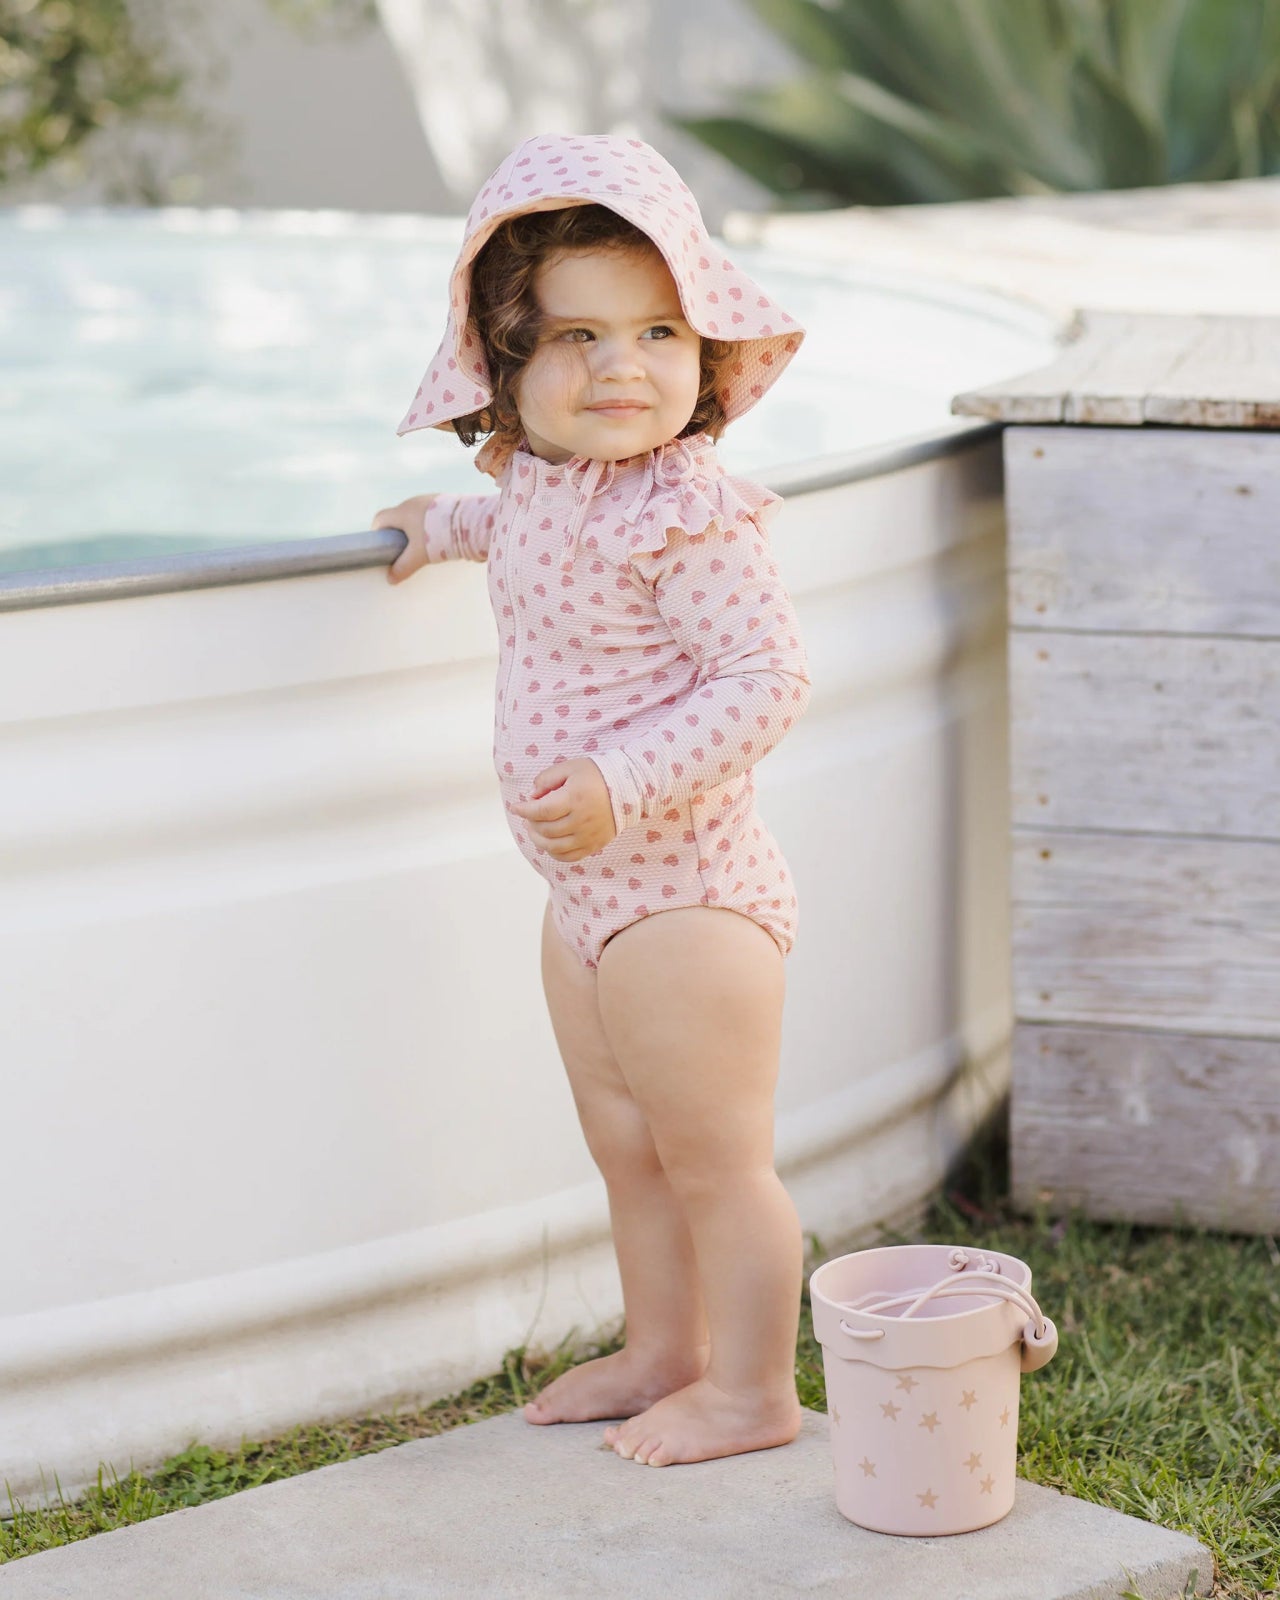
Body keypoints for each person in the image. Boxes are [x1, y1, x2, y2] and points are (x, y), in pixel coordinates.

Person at [371, 132, 811, 1469]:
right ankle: (666, 1350)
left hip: (685, 899)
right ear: (503, 364)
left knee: (715, 1159)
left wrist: (622, 783)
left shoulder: (689, 512)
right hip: (587, 899)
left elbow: (768, 680)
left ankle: (753, 1389)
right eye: (577, 336)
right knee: (628, 1148)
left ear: (706, 349)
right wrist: (434, 527)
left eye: (658, 332)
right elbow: (518, 535)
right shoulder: (544, 483)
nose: (623, 367)